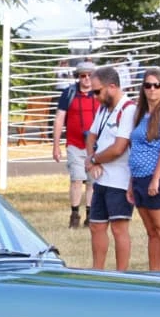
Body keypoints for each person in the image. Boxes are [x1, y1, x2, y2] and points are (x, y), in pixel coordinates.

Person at [126, 69, 160, 271]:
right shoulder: (140, 113)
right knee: (151, 231)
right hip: (139, 177)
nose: (152, 89)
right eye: (147, 85)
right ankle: (155, 274)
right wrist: (131, 182)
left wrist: (156, 179)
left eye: (156, 85)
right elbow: (135, 147)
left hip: (158, 177)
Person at [84, 66, 136, 271]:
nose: (94, 96)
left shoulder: (128, 109)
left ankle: (121, 274)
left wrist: (95, 159)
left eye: (97, 91)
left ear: (112, 86)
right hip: (102, 179)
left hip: (120, 180)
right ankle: (97, 272)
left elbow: (118, 148)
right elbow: (91, 135)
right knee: (96, 226)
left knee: (119, 229)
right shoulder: (104, 108)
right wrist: (90, 159)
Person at [52, 60, 99, 228]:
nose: (86, 79)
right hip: (74, 144)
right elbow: (59, 120)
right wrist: (56, 145)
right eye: (83, 76)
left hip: (95, 146)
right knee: (76, 179)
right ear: (78, 77)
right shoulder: (68, 93)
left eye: (90, 75)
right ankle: (74, 214)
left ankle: (90, 215)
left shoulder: (100, 93)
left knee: (92, 182)